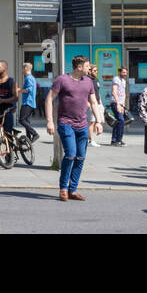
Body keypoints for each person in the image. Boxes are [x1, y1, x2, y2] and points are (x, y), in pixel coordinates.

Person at [45, 55, 101, 202]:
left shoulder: (88, 82)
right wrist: (50, 121)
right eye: (88, 66)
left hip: (82, 125)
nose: (90, 69)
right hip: (65, 123)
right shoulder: (62, 80)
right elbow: (49, 99)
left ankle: (73, 190)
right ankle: (63, 188)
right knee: (70, 154)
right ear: (80, 67)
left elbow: (93, 102)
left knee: (81, 157)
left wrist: (99, 121)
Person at [18, 62, 39, 144]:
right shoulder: (31, 78)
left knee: (21, 120)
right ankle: (28, 138)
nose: (21, 70)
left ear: (25, 68)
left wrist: (19, 90)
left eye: (22, 69)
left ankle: (35, 134)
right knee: (26, 120)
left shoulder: (28, 78)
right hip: (30, 103)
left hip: (27, 102)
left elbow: (28, 90)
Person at [86, 63, 106, 147]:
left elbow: (97, 92)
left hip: (97, 103)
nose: (96, 72)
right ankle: (91, 140)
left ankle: (88, 138)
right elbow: (85, 92)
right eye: (94, 70)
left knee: (98, 121)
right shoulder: (87, 80)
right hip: (91, 104)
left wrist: (101, 103)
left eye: (97, 70)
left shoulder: (96, 80)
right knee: (91, 122)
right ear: (89, 71)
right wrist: (87, 102)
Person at [109, 66, 129, 146]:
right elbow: (114, 92)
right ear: (119, 72)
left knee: (118, 121)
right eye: (123, 72)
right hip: (115, 103)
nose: (125, 74)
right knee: (121, 120)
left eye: (126, 73)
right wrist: (117, 104)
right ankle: (118, 140)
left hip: (120, 104)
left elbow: (124, 93)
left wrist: (123, 105)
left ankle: (114, 140)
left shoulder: (123, 81)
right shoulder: (116, 79)